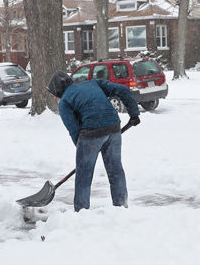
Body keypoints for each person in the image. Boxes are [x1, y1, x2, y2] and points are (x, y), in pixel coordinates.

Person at [47, 72, 140, 212]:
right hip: (113, 127)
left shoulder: (64, 102)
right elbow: (122, 90)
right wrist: (134, 113)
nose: (54, 97)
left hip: (91, 132)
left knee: (84, 174)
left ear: (59, 90)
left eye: (54, 93)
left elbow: (74, 130)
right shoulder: (93, 83)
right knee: (115, 169)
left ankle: (81, 211)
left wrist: (82, 153)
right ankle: (121, 206)